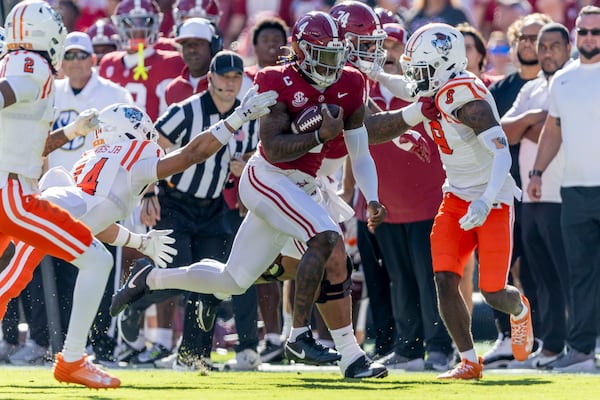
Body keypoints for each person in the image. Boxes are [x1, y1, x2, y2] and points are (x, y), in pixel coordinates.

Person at [110, 11, 390, 379]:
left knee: (233, 280)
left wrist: (371, 196)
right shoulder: (275, 79)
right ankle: (302, 336)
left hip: (303, 186)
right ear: (303, 52)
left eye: (337, 54)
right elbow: (272, 149)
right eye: (324, 55)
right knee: (327, 240)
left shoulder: (351, 82)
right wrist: (319, 136)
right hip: (267, 178)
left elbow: (360, 150)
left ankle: (150, 279)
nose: (333, 64)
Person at [368, 22, 534, 380]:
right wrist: (377, 73)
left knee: (491, 292)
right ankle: (470, 360)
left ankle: (519, 308)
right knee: (444, 278)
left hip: (493, 197)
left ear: (444, 64)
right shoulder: (438, 85)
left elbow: (503, 155)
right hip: (456, 195)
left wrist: (486, 200)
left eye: (421, 69)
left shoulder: (466, 97)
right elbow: (409, 88)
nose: (415, 76)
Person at [0, 0, 116, 389]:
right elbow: (9, 93)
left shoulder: (16, 62)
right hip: (12, 194)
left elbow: (25, 138)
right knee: (97, 261)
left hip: (10, 185)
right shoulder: (29, 65)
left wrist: (70, 132)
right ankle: (72, 360)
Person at [527, 5, 600, 373]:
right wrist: (537, 172)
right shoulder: (563, 80)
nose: (589, 38)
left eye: (596, 32)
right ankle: (583, 350)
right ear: (575, 35)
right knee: (581, 273)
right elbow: (552, 128)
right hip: (574, 191)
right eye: (584, 31)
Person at [501, 22, 572, 369]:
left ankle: (578, 344)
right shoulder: (530, 89)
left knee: (568, 275)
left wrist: (536, 127)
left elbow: (560, 130)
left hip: (564, 193)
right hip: (532, 198)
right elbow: (506, 133)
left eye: (554, 46)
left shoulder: (573, 81)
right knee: (540, 277)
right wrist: (534, 119)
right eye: (542, 46)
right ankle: (550, 345)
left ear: (568, 47)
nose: (546, 52)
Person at [484, 13, 552, 369]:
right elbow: (496, 135)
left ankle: (541, 337)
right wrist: (527, 122)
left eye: (535, 38)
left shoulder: (554, 84)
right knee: (499, 267)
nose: (528, 43)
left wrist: (522, 125)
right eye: (522, 38)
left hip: (543, 191)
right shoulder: (499, 89)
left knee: (541, 267)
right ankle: (507, 337)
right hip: (502, 191)